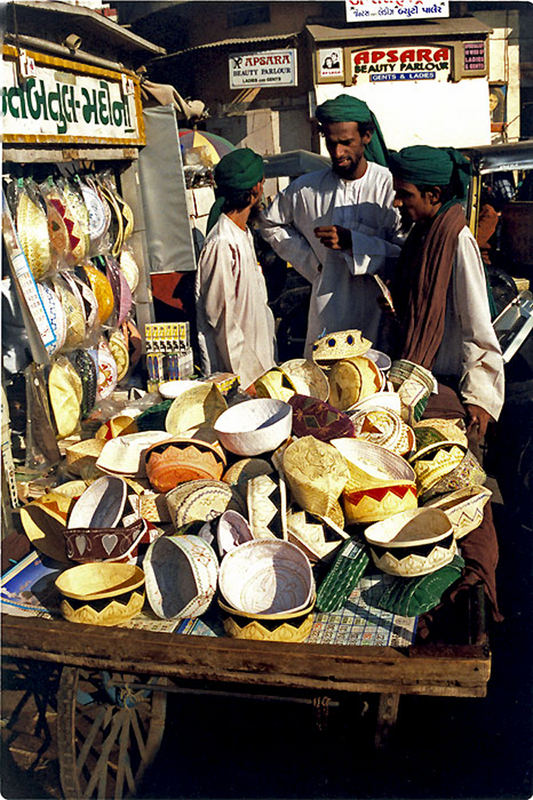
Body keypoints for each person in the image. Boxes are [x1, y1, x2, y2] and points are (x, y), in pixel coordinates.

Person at [388, 145, 505, 622]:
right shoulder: (423, 234)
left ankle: (475, 586)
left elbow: (480, 328)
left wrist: (480, 399)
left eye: (406, 195)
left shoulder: (455, 240)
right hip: (417, 378)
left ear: (434, 194)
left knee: (461, 490)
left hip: (446, 388)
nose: (399, 203)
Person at [258, 94, 403, 357]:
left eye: (346, 143)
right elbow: (269, 222)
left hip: (378, 318)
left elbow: (404, 253)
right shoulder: (306, 188)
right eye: (331, 143)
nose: (337, 153)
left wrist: (354, 243)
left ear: (366, 137)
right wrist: (313, 265)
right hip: (328, 315)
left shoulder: (388, 187)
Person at [195, 148, 276, 390]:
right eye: (262, 182)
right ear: (255, 189)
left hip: (261, 368)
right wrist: (245, 378)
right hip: (239, 380)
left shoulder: (243, 234)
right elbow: (222, 319)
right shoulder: (222, 244)